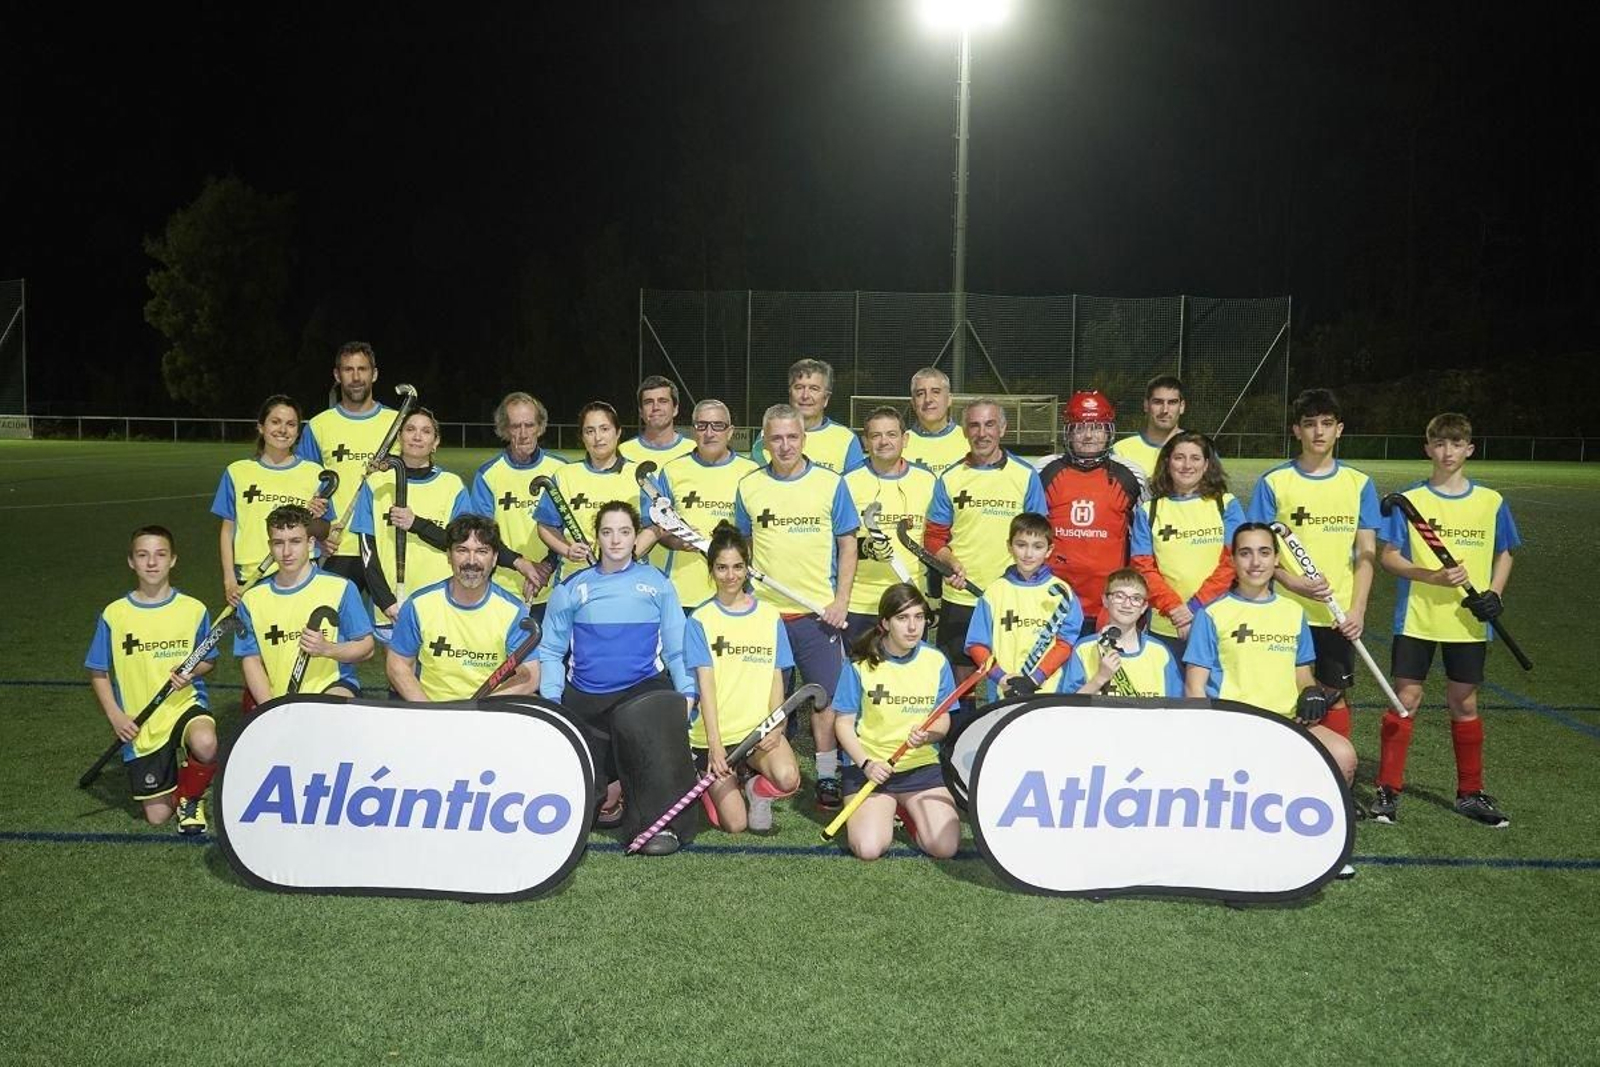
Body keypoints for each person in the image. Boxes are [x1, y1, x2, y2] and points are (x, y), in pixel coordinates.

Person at [1371, 413, 1521, 827]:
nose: (1447, 452)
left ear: (1469, 449)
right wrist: (1429, 576)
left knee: (1464, 701)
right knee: (1406, 700)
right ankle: (1387, 791)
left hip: (1468, 622)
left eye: (1456, 444)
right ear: (1427, 448)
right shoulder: (1410, 500)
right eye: (1439, 444)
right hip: (1418, 617)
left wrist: (1494, 594)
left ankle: (1470, 793)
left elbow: (1505, 551)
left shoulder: (1491, 501)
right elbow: (1389, 557)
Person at [538, 502, 694, 854]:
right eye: (607, 532)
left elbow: (676, 649)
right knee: (583, 797)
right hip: (587, 701)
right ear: (596, 537)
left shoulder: (658, 584)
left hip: (642, 696)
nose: (616, 540)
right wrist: (552, 702)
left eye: (624, 531)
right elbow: (549, 650)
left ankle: (659, 824)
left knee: (654, 747)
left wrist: (687, 692)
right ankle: (606, 793)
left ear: (635, 536)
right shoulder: (571, 587)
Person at [734, 403, 861, 810]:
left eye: (792, 437)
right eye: (776, 438)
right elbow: (744, 547)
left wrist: (840, 600)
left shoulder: (830, 483)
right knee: (767, 702)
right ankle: (763, 769)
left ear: (804, 438)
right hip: (767, 616)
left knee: (824, 700)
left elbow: (847, 543)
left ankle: (826, 774)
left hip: (817, 616)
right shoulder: (750, 487)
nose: (785, 445)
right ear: (764, 442)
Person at [1245, 388, 1381, 741]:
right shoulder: (1274, 482)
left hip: (1337, 615)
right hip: (1283, 612)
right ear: (1296, 431)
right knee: (1284, 695)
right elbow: (1253, 551)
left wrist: (1358, 610)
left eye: (1326, 423)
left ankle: (1336, 778)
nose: (1318, 432)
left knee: (1333, 697)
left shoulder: (1359, 484)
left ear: (1339, 429)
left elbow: (1367, 553)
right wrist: (1291, 582)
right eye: (1310, 424)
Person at [1183, 524, 1358, 787]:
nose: (1255, 562)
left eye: (1264, 553)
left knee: (1343, 757)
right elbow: (1194, 687)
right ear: (1232, 559)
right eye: (1245, 553)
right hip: (1234, 724)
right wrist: (1210, 733)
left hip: (1286, 723)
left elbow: (1302, 674)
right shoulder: (1211, 615)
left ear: (1276, 559)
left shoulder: (1293, 612)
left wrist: (1311, 691)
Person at [85, 526, 220, 834]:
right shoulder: (114, 614)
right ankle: (184, 773)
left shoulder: (194, 609)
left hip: (184, 705)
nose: (151, 563)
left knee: (206, 742)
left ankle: (192, 796)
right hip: (142, 721)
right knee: (157, 816)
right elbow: (98, 670)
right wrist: (116, 716)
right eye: (142, 555)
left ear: (173, 560)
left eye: (160, 555)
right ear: (131, 562)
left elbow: (208, 661)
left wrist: (192, 673)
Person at [682, 523, 802, 833]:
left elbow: (778, 677)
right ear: (711, 570)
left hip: (757, 732)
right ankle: (711, 780)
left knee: (788, 778)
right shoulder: (700, 619)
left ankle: (755, 788)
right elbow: (705, 688)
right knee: (735, 824)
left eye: (737, 567)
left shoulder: (769, 615)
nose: (730, 575)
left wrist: (777, 724)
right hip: (717, 735)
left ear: (747, 569)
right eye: (721, 567)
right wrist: (715, 745)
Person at [923, 398, 1047, 688]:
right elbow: (933, 538)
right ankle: (958, 735)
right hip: (961, 598)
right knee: (960, 686)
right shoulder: (951, 477)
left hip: (1010, 598)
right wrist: (950, 562)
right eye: (974, 425)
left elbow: (1040, 537)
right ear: (965, 431)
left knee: (1009, 680)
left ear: (1003, 428)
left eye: (989, 424)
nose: (982, 433)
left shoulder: (1025, 476)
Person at [833, 583, 961, 861]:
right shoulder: (860, 664)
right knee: (868, 849)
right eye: (902, 618)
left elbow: (943, 723)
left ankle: (907, 811)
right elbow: (842, 724)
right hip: (869, 768)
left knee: (945, 848)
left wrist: (927, 737)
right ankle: (888, 809)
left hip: (920, 767)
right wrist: (867, 764)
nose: (913, 627)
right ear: (885, 623)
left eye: (919, 617)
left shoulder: (936, 661)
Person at [347, 408, 473, 641]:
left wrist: (416, 524)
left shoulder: (452, 485)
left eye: (426, 431)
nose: (417, 436)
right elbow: (367, 551)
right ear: (399, 438)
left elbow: (462, 544)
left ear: (435, 442)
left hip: (441, 601)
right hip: (393, 606)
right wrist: (385, 601)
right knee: (398, 675)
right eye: (410, 429)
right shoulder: (376, 484)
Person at [388, 514, 539, 702]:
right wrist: (427, 712)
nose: (471, 561)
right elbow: (398, 664)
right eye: (462, 550)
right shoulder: (419, 605)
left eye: (482, 551)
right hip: (434, 712)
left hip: (487, 712)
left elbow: (529, 675)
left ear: (494, 559)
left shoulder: (513, 612)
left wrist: (478, 710)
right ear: (449, 556)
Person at [235, 506, 374, 703]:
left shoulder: (340, 587)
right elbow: (251, 660)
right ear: (269, 546)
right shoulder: (252, 599)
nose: (286, 552)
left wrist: (327, 649)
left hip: (334, 687)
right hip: (282, 697)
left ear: (310, 543)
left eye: (295, 541)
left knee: (325, 714)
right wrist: (270, 708)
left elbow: (367, 647)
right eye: (278, 543)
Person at [1038, 390, 1147, 634]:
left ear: (1109, 431)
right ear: (1068, 431)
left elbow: (1144, 538)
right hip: (1052, 600)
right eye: (1079, 428)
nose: (1088, 435)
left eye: (1096, 427)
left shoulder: (1131, 475)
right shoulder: (1045, 470)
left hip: (1111, 603)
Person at [212, 394, 335, 606]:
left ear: (297, 432)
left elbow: (324, 532)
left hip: (302, 576)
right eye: (275, 422)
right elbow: (227, 530)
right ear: (261, 426)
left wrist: (312, 517)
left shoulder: (315, 473)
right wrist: (229, 580)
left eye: (291, 424)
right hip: (252, 578)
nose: (283, 430)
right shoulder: (237, 472)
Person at [1130, 431, 1245, 655]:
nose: (1186, 465)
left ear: (1206, 464)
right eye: (1179, 457)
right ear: (1167, 462)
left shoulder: (1225, 504)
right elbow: (1143, 568)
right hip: (1167, 624)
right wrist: (1174, 609)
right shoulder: (1149, 511)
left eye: (1195, 458)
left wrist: (1194, 608)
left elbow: (1233, 562)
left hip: (1219, 620)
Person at [296, 342, 394, 589]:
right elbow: (305, 489)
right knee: (332, 626)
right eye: (348, 370)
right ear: (337, 375)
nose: (356, 377)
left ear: (374, 373)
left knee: (389, 625)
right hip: (337, 546)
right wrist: (319, 535)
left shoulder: (398, 424)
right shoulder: (319, 426)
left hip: (387, 545)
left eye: (362, 369)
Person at [963, 512, 1083, 705]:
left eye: (1037, 547)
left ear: (1049, 550)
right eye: (1021, 545)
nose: (1028, 554)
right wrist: (1001, 678)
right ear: (1009, 546)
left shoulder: (1064, 593)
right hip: (1005, 691)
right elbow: (977, 645)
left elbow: (1065, 643)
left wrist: (1036, 678)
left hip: (1049, 691)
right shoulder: (994, 592)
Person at [649, 399, 758, 609]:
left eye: (718, 425)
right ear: (693, 431)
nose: (710, 433)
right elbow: (660, 528)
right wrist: (677, 542)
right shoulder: (672, 471)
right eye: (702, 425)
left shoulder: (750, 472)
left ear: (730, 431)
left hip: (735, 593)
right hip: (682, 595)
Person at [843, 405, 938, 643]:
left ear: (905, 439)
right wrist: (867, 548)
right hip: (861, 604)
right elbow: (837, 544)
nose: (883, 441)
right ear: (865, 441)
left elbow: (935, 540)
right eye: (876, 435)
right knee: (860, 674)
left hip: (909, 603)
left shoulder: (927, 481)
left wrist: (934, 595)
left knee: (908, 677)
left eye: (891, 434)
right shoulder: (847, 482)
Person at [467, 391, 563, 619]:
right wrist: (521, 565)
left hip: (553, 588)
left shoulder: (560, 470)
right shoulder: (488, 475)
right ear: (504, 429)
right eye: (515, 426)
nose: (523, 434)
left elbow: (569, 528)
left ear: (540, 426)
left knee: (549, 655)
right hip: (503, 589)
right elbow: (483, 534)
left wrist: (546, 567)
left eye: (529, 425)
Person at [536, 402, 648, 581]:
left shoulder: (639, 476)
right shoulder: (565, 476)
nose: (598, 437)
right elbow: (545, 525)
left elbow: (654, 527)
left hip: (629, 580)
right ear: (582, 436)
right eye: (590, 431)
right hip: (576, 579)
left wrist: (626, 558)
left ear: (618, 432)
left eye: (604, 429)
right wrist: (567, 550)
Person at [1062, 569, 1184, 697]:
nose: (1127, 604)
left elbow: (1175, 706)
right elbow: (1068, 707)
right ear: (1105, 600)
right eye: (1119, 596)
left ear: (1143, 607)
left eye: (1136, 599)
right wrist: (1100, 678)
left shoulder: (1160, 652)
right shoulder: (1084, 649)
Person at [621, 375, 696, 573]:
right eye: (648, 402)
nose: (655, 407)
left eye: (663, 401)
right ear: (640, 411)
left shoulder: (695, 451)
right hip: (633, 568)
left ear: (676, 408)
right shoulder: (622, 454)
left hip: (685, 569)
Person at [751, 358, 866, 474]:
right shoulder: (768, 435)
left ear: (826, 398)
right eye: (799, 388)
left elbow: (855, 486)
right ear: (790, 393)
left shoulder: (846, 439)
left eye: (814, 389)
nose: (805, 395)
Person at [1110, 374, 1187, 480]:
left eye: (1172, 402)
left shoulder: (1200, 449)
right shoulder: (1121, 451)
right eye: (1158, 402)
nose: (1165, 410)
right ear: (1146, 405)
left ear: (1182, 407)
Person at [901, 367, 968, 473]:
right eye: (920, 394)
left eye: (936, 392)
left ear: (949, 399)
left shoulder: (968, 440)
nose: (928, 399)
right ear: (913, 403)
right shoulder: (901, 443)